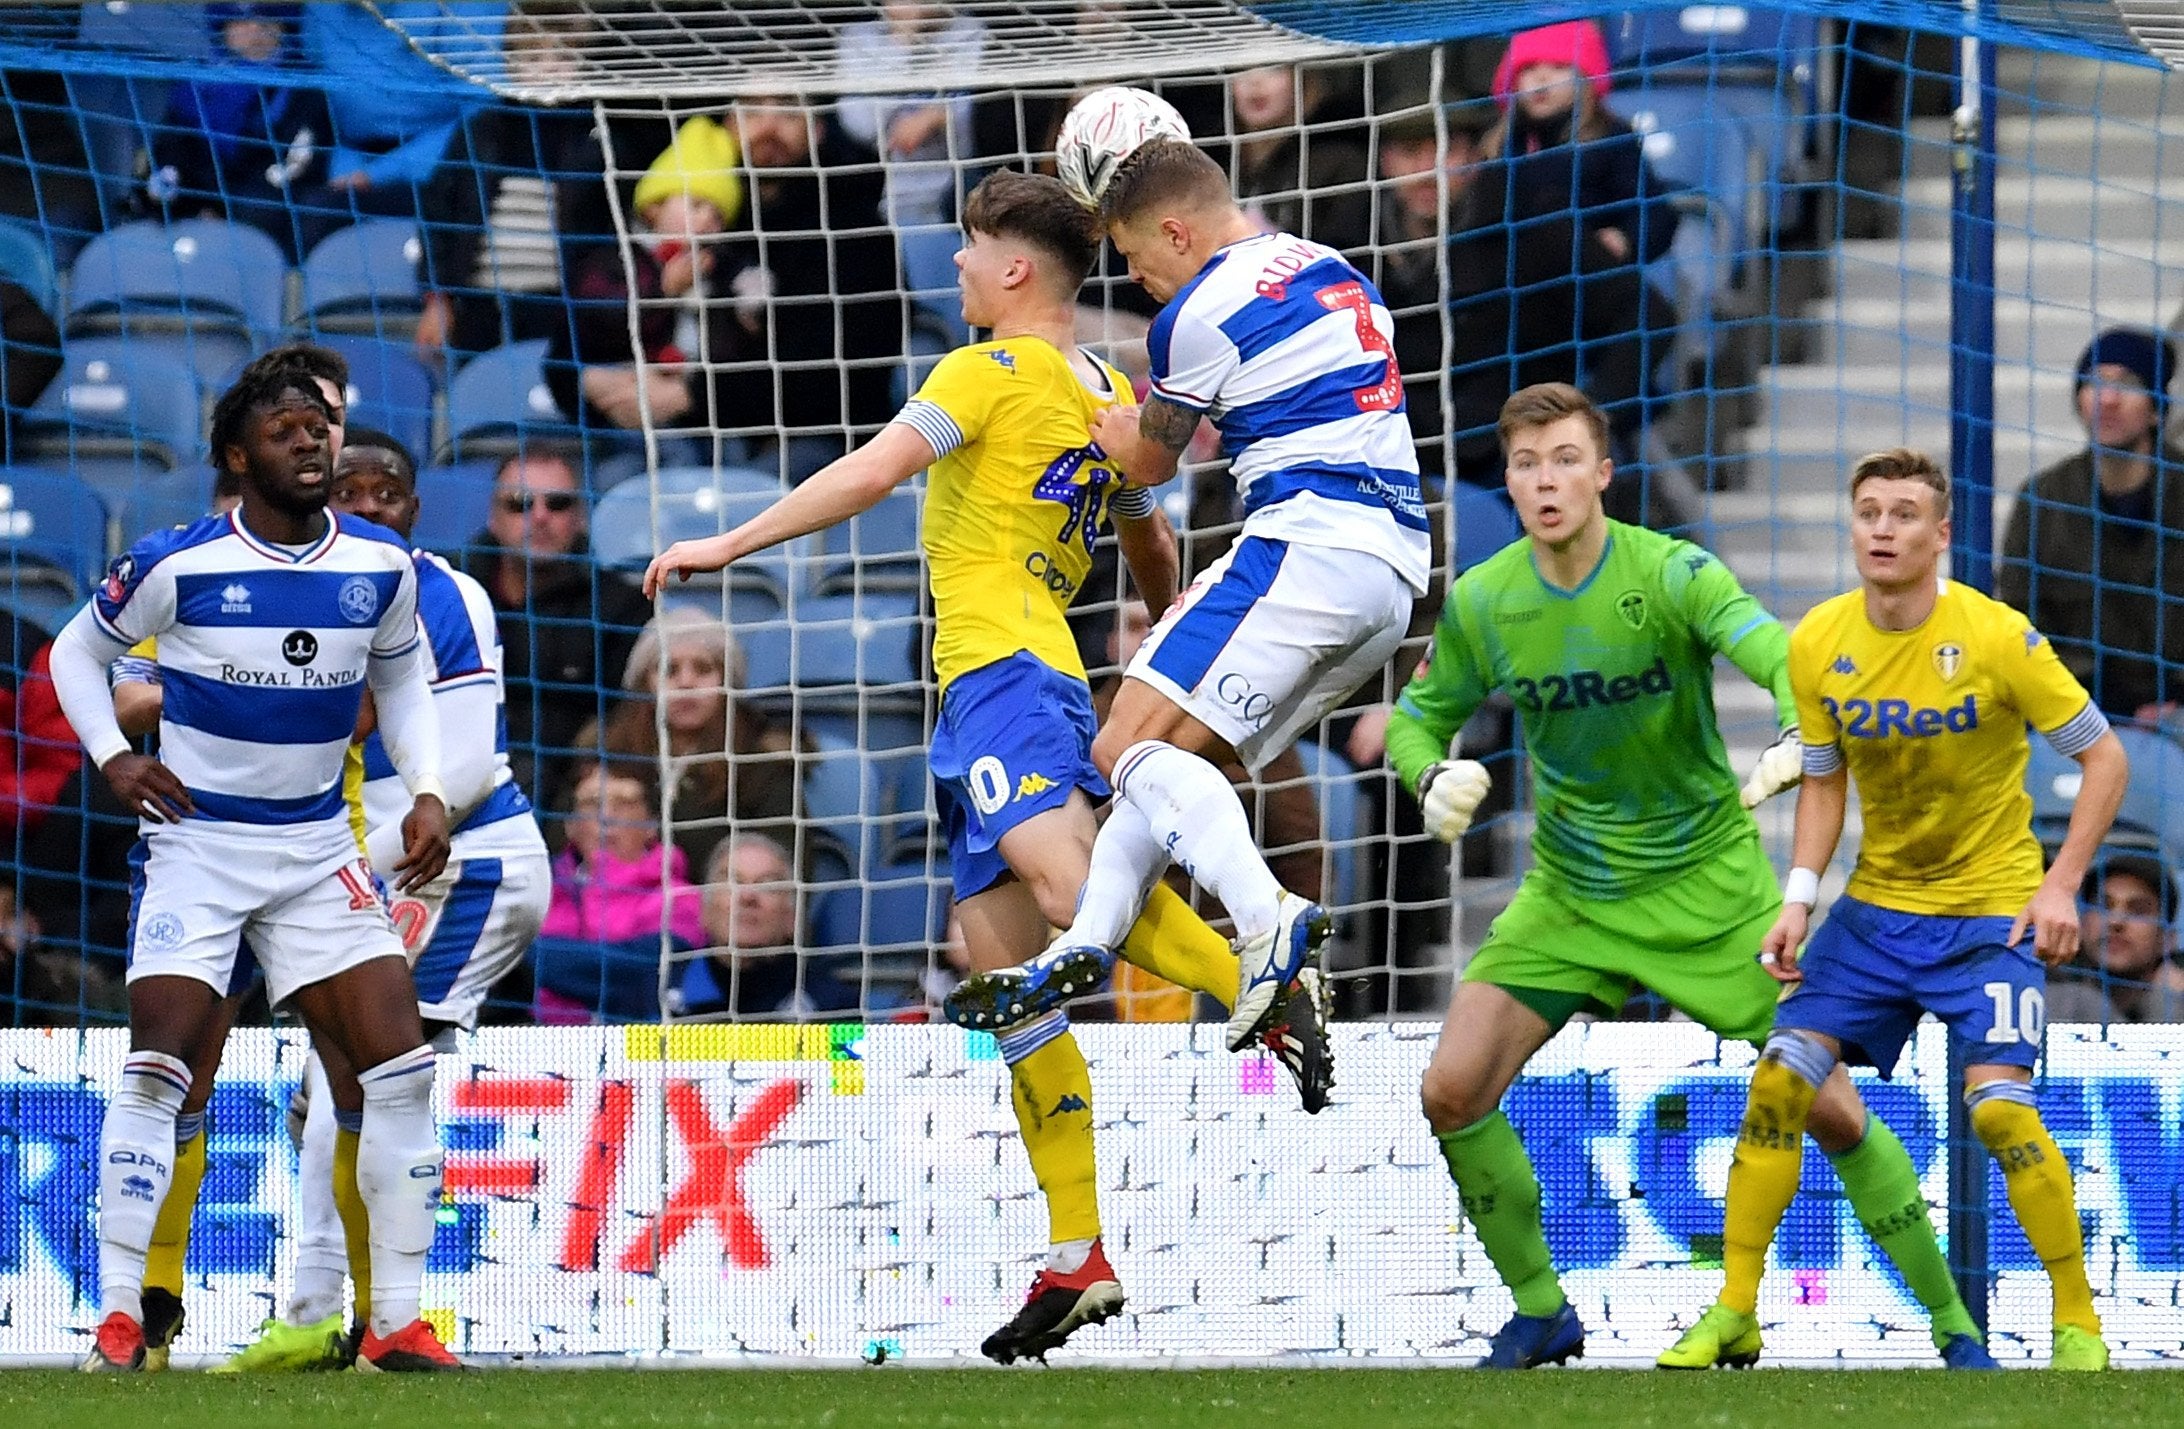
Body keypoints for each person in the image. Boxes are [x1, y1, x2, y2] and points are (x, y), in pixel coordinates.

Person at [646, 170, 1321, 1364]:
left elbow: (871, 469)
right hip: (1009, 683)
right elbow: (1149, 534)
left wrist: (728, 542)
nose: (954, 266)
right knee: (1011, 977)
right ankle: (1078, 1253)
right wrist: (1161, 656)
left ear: (1016, 269)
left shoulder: (983, 371)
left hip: (1006, 672)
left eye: (969, 248)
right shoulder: (1112, 390)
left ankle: (1262, 980)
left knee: (1071, 896)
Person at [1383, 384, 1983, 1370]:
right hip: (1570, 895)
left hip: (1710, 888)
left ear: (1604, 473)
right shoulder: (1486, 599)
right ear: (1510, 478)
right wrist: (1430, 767)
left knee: (1830, 1107)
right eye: (1529, 463)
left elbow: (1771, 649)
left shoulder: (1671, 573)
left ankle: (1955, 1328)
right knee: (1451, 1090)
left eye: (1567, 459)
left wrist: (1802, 719)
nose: (1547, 480)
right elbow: (1419, 715)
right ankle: (1543, 1312)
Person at [1663, 447, 2129, 1373]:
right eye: (1869, 512)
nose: (1883, 528)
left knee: (2000, 1113)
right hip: (1876, 911)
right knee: (1779, 1081)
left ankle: (2078, 1322)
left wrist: (2060, 882)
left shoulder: (1999, 639)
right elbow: (1825, 784)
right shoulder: (1819, 642)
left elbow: (2104, 756)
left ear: (1940, 534)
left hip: (1990, 914)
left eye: (1905, 513)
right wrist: (1800, 899)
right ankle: (1737, 1309)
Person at [976, 136, 1431, 1055]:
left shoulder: (1193, 313)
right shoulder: (1327, 263)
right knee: (1171, 759)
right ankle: (1090, 941)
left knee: (1120, 741)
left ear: (1177, 232)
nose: (1138, 277)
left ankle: (1267, 922)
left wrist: (1108, 425)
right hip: (1393, 574)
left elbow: (1147, 459)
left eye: (1138, 257)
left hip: (1306, 539)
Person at [49, 365, 458, 1372]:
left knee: (399, 1069)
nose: (313, 444)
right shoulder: (175, 564)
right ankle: (117, 1313)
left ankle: (397, 1320)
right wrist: (114, 758)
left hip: (319, 847)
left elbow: (403, 675)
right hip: (199, 845)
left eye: (320, 427)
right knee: (163, 1065)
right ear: (239, 456)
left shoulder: (383, 565)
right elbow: (72, 653)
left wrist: (427, 788)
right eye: (287, 431)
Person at [211, 426, 553, 1369]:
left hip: (459, 867)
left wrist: (328, 862)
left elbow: (468, 762)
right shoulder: (302, 602)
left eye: (386, 494)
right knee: (329, 1081)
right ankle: (351, 1310)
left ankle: (334, 1307)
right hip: (370, 866)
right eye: (347, 492)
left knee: (361, 1076)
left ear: (413, 509)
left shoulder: (442, 591)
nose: (367, 508)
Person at [706, 95, 903, 482]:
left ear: (816, 130)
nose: (768, 126)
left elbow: (841, 384)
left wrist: (695, 397)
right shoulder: (705, 220)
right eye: (752, 111)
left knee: (748, 497)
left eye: (787, 112)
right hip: (715, 427)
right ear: (728, 127)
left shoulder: (855, 228)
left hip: (828, 441)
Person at [1998, 328, 2184, 721]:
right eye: (2094, 382)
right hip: (2077, 716)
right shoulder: (2042, 502)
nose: (2108, 399)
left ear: (2156, 408)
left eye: (2128, 384)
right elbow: (2019, 628)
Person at [458, 449, 651, 800]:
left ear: (579, 517)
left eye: (558, 503)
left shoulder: (622, 608)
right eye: (520, 503)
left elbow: (627, 727)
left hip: (576, 793)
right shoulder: (454, 595)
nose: (540, 517)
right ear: (492, 517)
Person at [545, 115, 743, 437]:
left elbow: (725, 350)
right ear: (654, 207)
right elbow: (599, 322)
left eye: (718, 216)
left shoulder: (718, 274)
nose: (707, 221)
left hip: (691, 417)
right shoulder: (616, 258)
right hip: (616, 414)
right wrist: (664, 293)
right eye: (695, 206)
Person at [583, 607, 802, 876]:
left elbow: (785, 873)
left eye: (703, 669)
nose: (686, 682)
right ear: (645, 684)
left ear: (727, 681)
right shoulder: (605, 758)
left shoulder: (760, 768)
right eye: (669, 670)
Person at [143, 3, 333, 263]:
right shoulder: (196, 84)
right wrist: (196, 202)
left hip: (265, 211)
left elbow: (294, 167)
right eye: (241, 22)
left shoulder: (303, 86)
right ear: (223, 28)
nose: (254, 31)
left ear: (284, 28)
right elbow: (172, 150)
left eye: (266, 22)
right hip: (200, 203)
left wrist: (223, 211)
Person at [1483, 20, 1680, 269]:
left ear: (1585, 79)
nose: (1541, 78)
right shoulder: (1499, 146)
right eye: (1529, 68)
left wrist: (1624, 239)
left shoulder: (1609, 138)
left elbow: (1656, 214)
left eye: (1558, 67)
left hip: (1591, 281)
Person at [533, 758, 705, 1023]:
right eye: (592, 804)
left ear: (651, 825)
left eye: (624, 803)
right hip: (529, 1049)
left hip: (640, 1051)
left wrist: (528, 956)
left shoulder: (681, 898)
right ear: (570, 826)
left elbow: (640, 972)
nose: (607, 816)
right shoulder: (538, 894)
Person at [671, 832, 855, 1019]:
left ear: (792, 917)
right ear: (705, 911)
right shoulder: (656, 995)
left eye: (767, 885)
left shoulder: (833, 1007)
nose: (747, 897)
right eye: (733, 882)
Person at [836, 4, 986, 228]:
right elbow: (860, 124)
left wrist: (942, 116)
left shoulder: (973, 33)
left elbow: (986, 126)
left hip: (969, 193)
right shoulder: (861, 37)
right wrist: (903, 41)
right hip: (898, 200)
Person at [1227, 64, 1373, 255]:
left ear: (1302, 79)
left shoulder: (1340, 163)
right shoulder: (1218, 164)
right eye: (1242, 68)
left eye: (1273, 68)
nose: (1255, 82)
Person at [2048, 853, 2184, 1024]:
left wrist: (2169, 1007)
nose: (2115, 921)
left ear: (2167, 939)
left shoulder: (2175, 1001)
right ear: (2080, 922)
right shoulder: (2048, 992)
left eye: (2139, 910)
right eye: (2103, 905)